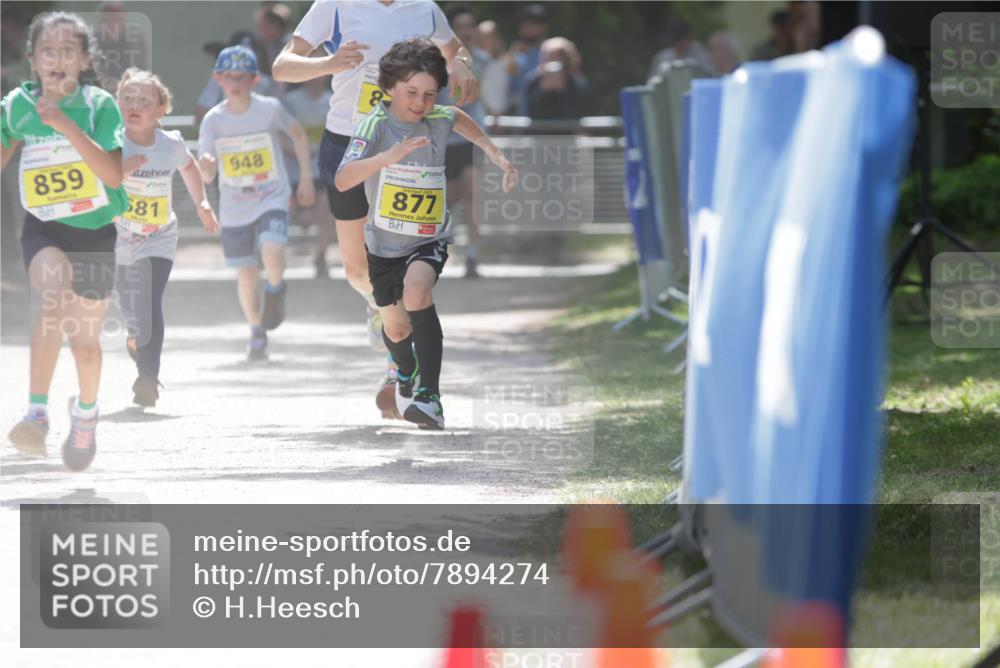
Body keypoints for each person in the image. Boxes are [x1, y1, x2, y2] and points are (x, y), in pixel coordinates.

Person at [272, 0, 480, 418]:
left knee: (402, 261)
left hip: (403, 145)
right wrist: (329, 63)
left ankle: (399, 365)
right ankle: (379, 309)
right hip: (347, 143)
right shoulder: (333, 7)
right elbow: (282, 66)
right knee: (356, 270)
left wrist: (463, 66)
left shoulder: (422, 9)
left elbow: (456, 49)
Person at [334, 39, 517, 429]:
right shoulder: (376, 124)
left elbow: (457, 117)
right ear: (389, 90)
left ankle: (430, 398)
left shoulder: (437, 116)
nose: (421, 103)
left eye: (429, 94)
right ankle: (404, 371)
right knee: (396, 328)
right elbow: (343, 178)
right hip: (383, 247)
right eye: (412, 93)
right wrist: (387, 157)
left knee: (418, 290)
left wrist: (492, 152)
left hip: (427, 238)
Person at [1, 12, 130, 471]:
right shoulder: (16, 105)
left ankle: (86, 415)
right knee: (52, 299)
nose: (57, 60)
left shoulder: (99, 105)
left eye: (67, 52)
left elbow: (114, 175)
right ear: (33, 59)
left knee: (85, 343)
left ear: (84, 59)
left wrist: (64, 126)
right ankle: (36, 413)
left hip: (95, 232)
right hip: (44, 228)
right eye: (47, 51)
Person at [197, 45, 315, 361]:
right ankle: (256, 331)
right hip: (235, 205)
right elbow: (205, 174)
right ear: (218, 79)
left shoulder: (270, 108)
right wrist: (207, 166)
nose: (236, 83)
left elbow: (298, 136)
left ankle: (275, 290)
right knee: (246, 274)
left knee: (273, 251)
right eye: (229, 77)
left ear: (254, 79)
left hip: (271, 196)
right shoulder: (213, 120)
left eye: (242, 77)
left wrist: (304, 177)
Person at [114, 68, 219, 407]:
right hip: (117, 237)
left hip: (158, 234)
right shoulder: (110, 141)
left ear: (161, 110)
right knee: (131, 312)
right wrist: (116, 171)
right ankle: (135, 340)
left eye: (144, 100)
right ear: (117, 103)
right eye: (128, 98)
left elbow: (188, 168)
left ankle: (148, 378)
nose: (135, 104)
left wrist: (202, 202)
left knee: (148, 301)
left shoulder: (169, 143)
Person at [439, 4, 491, 278]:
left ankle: (472, 255)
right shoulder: (435, 64)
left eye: (470, 26)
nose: (467, 32)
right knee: (448, 197)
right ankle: (440, 245)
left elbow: (490, 94)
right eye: (461, 27)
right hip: (445, 139)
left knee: (474, 192)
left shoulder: (482, 59)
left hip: (472, 136)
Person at [282, 75, 334, 277]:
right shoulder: (291, 101)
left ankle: (320, 256)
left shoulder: (331, 100)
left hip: (320, 169)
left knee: (326, 208)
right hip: (294, 170)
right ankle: (270, 255)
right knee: (296, 211)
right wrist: (298, 151)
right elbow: (279, 133)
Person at [504, 3, 549, 116]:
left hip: (550, 117)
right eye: (526, 25)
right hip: (523, 118)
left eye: (534, 24)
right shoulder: (515, 54)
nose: (530, 29)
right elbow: (506, 88)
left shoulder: (551, 52)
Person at [525, 37, 586, 120]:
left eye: (559, 57)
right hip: (539, 131)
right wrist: (542, 90)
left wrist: (563, 90)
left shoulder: (577, 81)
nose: (554, 61)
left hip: (567, 131)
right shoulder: (532, 80)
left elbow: (578, 113)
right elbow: (529, 114)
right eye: (549, 57)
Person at [648, 18, 713, 81]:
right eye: (673, 42)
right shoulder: (662, 57)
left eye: (679, 41)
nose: (676, 45)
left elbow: (710, 76)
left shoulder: (700, 52)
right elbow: (653, 83)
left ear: (689, 37)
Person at [476, 20, 509, 117]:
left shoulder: (507, 63)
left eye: (490, 37)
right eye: (482, 38)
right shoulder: (472, 63)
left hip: (504, 116)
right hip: (481, 116)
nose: (486, 41)